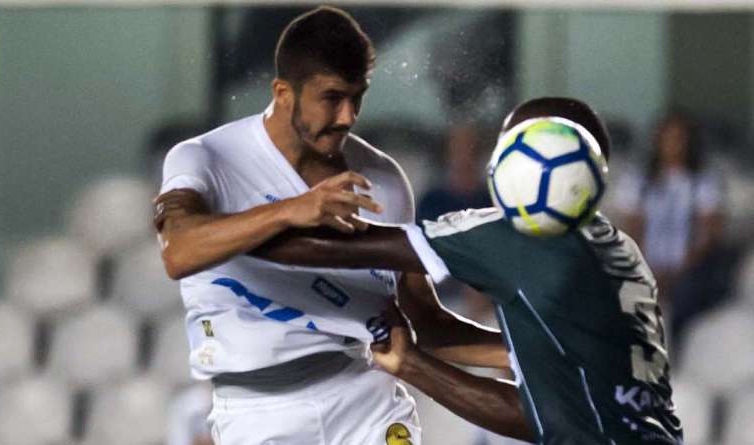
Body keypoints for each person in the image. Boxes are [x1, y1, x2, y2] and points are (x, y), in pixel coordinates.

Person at [153, 7, 506, 445]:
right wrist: (291, 210)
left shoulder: (384, 179)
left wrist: (524, 352)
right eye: (332, 97)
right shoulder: (206, 157)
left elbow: (428, 324)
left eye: (357, 97)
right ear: (283, 92)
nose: (347, 116)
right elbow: (178, 250)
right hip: (257, 412)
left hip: (365, 399)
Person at [253, 97, 684, 445]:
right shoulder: (621, 251)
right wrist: (408, 298)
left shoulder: (517, 239)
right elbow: (463, 339)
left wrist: (236, 225)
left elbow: (318, 250)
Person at [612, 111, 726, 339]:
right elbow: (630, 230)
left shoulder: (703, 182)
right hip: (645, 265)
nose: (672, 145)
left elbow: (708, 234)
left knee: (688, 295)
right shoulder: (638, 181)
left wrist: (677, 272)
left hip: (688, 270)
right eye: (667, 138)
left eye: (679, 139)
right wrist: (648, 268)